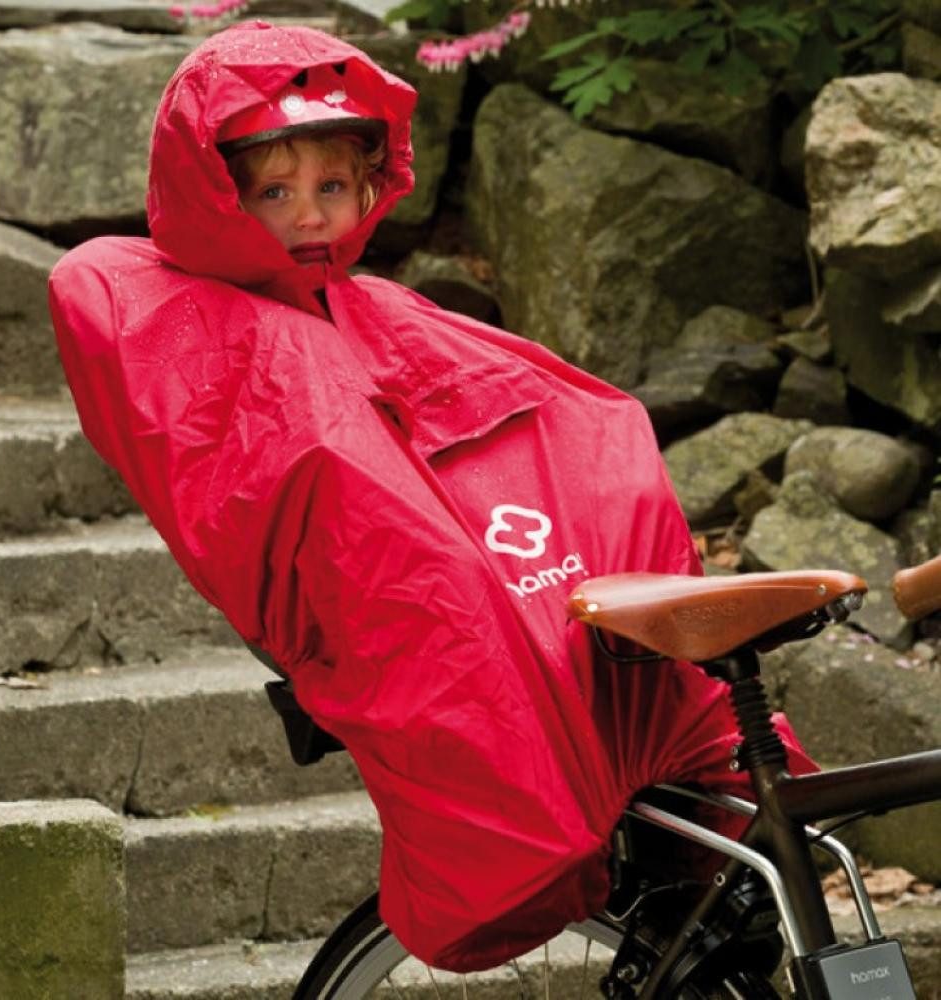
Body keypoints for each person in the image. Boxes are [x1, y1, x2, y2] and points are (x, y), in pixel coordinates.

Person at [49, 21, 815, 973]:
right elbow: (324, 487)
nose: (310, 215)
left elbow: (567, 416)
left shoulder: (377, 309)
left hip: (541, 578)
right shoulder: (180, 314)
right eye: (275, 193)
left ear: (370, 186)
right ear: (216, 195)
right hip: (430, 587)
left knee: (606, 439)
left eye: (333, 187)